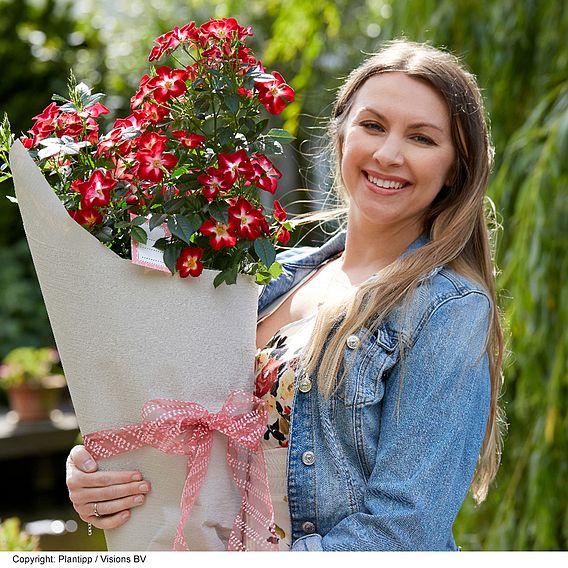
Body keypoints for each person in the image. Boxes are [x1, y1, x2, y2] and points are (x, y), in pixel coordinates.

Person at [66, 39, 505, 551]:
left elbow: (403, 531)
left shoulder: (448, 310)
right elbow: (189, 427)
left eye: (422, 138)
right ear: (340, 134)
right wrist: (111, 470)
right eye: (373, 125)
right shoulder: (267, 276)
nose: (388, 153)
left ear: (456, 168)